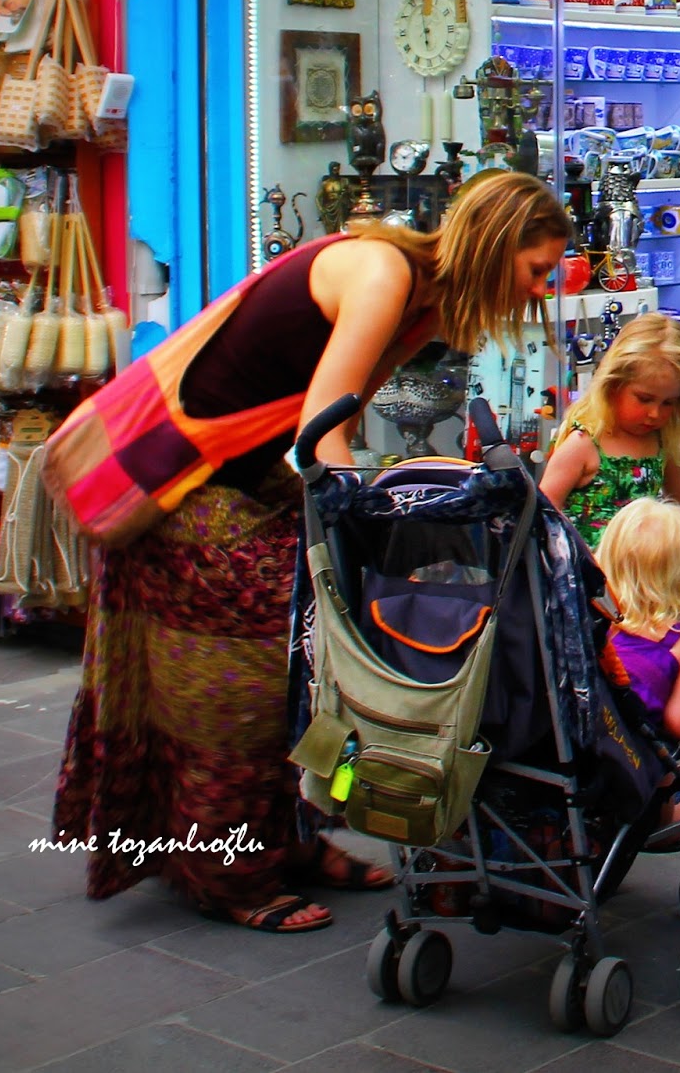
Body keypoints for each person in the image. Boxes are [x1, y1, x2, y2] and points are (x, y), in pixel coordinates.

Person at [53, 171, 572, 933]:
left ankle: (288, 841)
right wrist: (366, 505)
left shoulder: (423, 305)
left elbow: (350, 414)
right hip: (188, 482)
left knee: (308, 650)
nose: (540, 289)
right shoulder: (384, 273)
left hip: (233, 472)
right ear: (496, 248)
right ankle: (230, 869)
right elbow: (323, 426)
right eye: (536, 270)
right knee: (257, 665)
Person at [539, 313, 680, 580]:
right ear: (613, 385)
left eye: (668, 403)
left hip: (646, 579)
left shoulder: (658, 443)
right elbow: (546, 511)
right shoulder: (583, 444)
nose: (655, 414)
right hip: (593, 585)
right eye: (644, 399)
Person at [594, 497, 680, 825]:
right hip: (630, 759)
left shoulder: (592, 621)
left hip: (574, 747)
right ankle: (662, 816)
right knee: (666, 740)